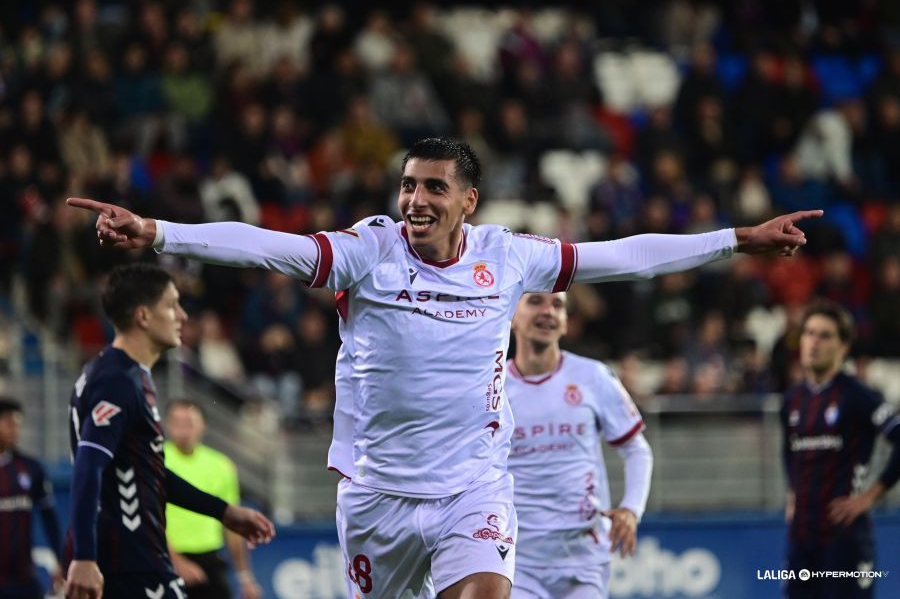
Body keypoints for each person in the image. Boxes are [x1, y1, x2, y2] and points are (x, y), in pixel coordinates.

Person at [69, 137, 821, 599]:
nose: (414, 200)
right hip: (377, 494)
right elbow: (266, 243)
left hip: (474, 484)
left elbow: (622, 257)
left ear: (468, 199)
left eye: (433, 187)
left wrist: (735, 238)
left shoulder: (509, 255)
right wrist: (158, 232)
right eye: (408, 185)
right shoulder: (368, 251)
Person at [65, 263, 275, 599]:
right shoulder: (117, 382)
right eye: (172, 305)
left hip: (134, 560)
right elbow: (88, 467)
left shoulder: (124, 375)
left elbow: (149, 471)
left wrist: (223, 511)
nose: (182, 315)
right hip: (127, 562)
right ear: (143, 316)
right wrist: (84, 558)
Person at [506, 292, 652, 599]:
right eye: (535, 302)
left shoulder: (592, 376)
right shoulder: (492, 387)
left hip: (584, 557)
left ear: (565, 324)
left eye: (557, 305)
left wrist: (631, 509)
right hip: (518, 560)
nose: (548, 311)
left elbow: (636, 449)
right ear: (510, 315)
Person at [782, 300, 900, 599]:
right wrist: (793, 492)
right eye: (809, 333)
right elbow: (789, 449)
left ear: (844, 346)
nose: (813, 342)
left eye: (825, 335)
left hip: (845, 537)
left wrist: (869, 497)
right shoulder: (793, 400)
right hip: (802, 538)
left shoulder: (857, 395)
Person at [164, 399, 263, 599]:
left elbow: (232, 526)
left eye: (190, 423)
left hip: (210, 561)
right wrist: (176, 561)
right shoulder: (156, 460)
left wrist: (245, 578)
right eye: (177, 423)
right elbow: (148, 517)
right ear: (167, 425)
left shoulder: (221, 465)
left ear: (203, 425)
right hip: (165, 560)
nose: (184, 431)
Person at [0, 399, 64, 599]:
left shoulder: (30, 468)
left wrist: (60, 560)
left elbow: (49, 518)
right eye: (9, 423)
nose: (16, 430)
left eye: (18, 424)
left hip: (23, 578)